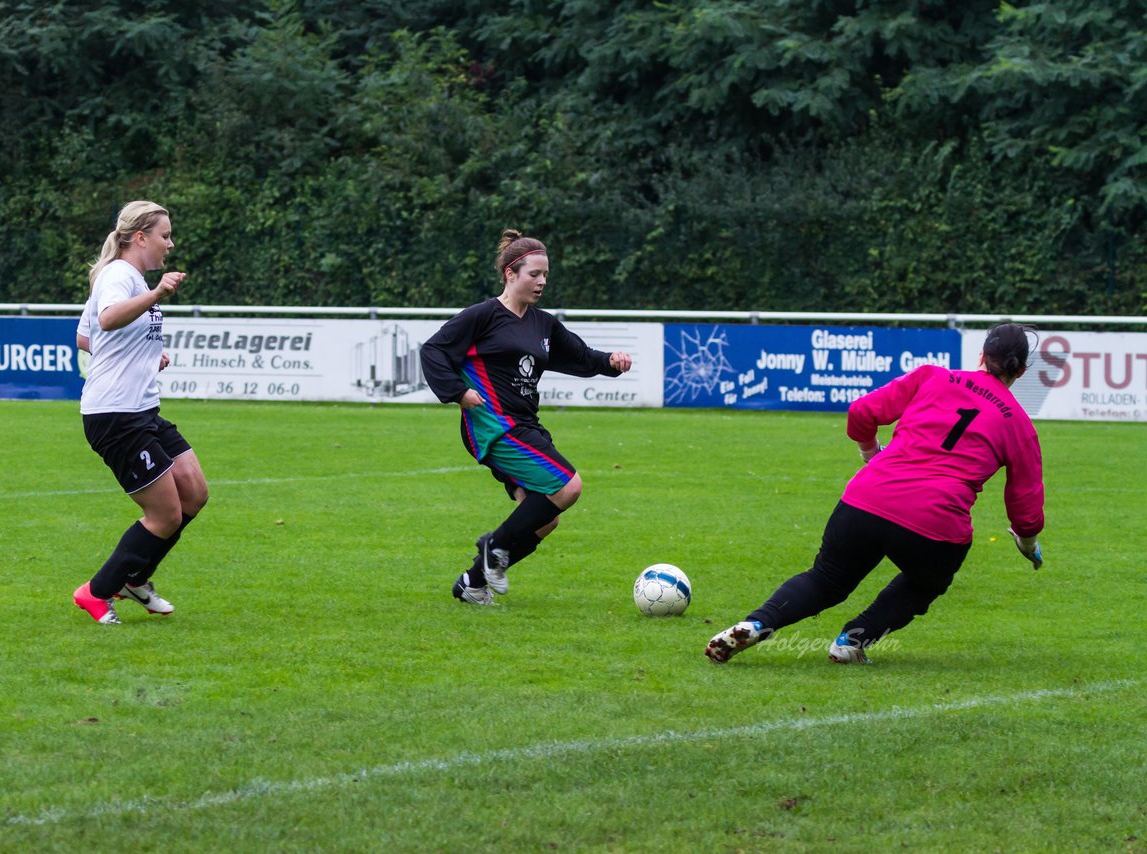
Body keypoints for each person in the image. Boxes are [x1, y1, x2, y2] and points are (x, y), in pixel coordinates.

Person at [704, 322, 1045, 664]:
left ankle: (756, 623)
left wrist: (871, 454)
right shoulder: (1019, 424)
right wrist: (1028, 546)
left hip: (868, 497)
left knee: (826, 579)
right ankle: (852, 641)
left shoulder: (933, 376)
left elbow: (862, 412)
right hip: (935, 523)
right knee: (926, 582)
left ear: (982, 355)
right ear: (1022, 370)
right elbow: (1026, 511)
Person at [420, 229, 633, 605]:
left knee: (545, 518)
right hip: (494, 424)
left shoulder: (543, 324)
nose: (542, 282)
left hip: (526, 425)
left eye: (545, 274)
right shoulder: (483, 316)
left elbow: (581, 357)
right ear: (510, 273)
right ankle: (492, 548)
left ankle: (471, 583)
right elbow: (433, 350)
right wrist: (457, 392)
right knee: (568, 487)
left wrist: (610, 362)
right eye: (534, 274)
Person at [72, 200, 208, 624]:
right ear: (140, 237)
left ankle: (136, 580)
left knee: (195, 493)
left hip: (142, 411)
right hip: (116, 415)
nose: (170, 243)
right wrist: (156, 294)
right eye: (165, 235)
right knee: (165, 514)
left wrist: (144, 353)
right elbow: (109, 318)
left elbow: (85, 336)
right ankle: (95, 592)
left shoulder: (126, 278)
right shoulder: (119, 277)